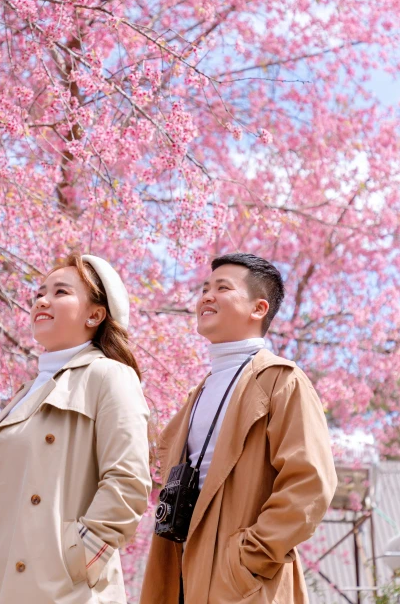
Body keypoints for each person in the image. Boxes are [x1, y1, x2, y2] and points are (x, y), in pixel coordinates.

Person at [0, 252, 151, 604]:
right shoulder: (25, 394)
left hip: (63, 590)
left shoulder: (108, 375)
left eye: (61, 292)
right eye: (39, 293)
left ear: (95, 314)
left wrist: (77, 559)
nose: (42, 300)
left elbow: (128, 483)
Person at [140, 252, 337, 604]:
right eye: (204, 288)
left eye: (222, 287)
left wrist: (249, 557)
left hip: (241, 583)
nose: (206, 296)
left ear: (258, 308)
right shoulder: (198, 393)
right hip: (181, 574)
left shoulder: (280, 381)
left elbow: (310, 482)